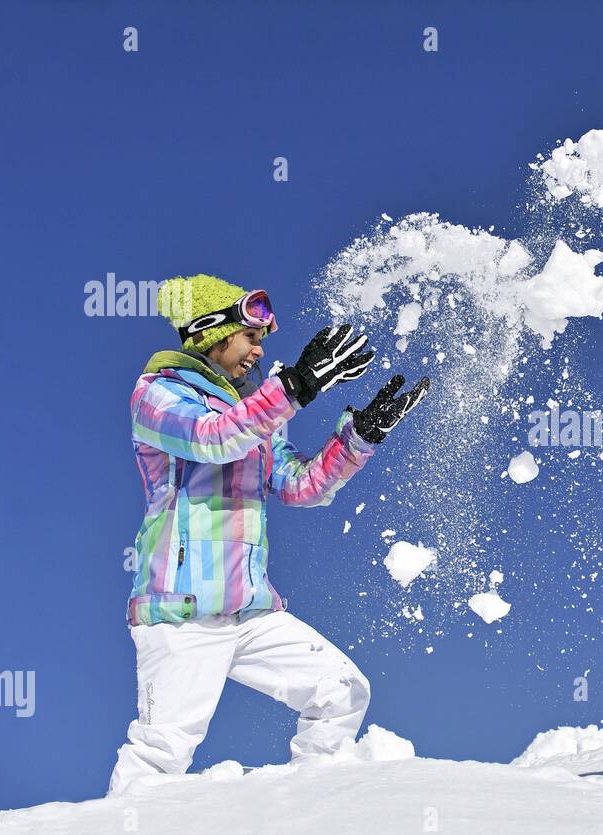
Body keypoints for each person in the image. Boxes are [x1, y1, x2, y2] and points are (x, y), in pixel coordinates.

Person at [108, 274, 430, 796]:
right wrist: (295, 388)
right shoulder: (159, 395)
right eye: (251, 338)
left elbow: (300, 485)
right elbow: (213, 439)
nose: (259, 352)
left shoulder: (257, 415)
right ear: (213, 333)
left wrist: (361, 437)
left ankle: (301, 817)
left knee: (340, 690)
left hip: (251, 611)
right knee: (161, 752)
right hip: (182, 614)